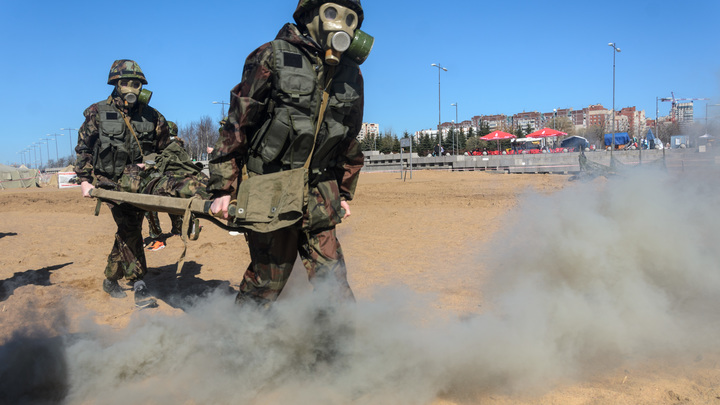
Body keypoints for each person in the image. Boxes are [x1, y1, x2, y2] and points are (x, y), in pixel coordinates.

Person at [209, 0, 368, 308]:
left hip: (320, 191)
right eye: (333, 13)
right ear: (309, 15)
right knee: (268, 281)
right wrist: (223, 187)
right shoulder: (272, 56)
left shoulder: (351, 73)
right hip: (271, 186)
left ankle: (341, 352)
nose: (342, 24)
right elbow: (238, 123)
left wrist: (344, 191)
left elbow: (348, 137)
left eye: (351, 18)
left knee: (333, 282)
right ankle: (239, 347)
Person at [75, 59, 170, 309]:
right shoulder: (97, 112)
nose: (131, 88)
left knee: (129, 229)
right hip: (110, 183)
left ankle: (110, 278)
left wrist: (150, 165)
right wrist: (85, 180)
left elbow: (165, 150)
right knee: (130, 226)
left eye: (136, 83)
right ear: (115, 84)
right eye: (126, 83)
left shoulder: (153, 116)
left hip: (140, 184)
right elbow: (84, 147)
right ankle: (140, 285)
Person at [143, 120, 184, 251]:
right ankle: (177, 229)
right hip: (172, 182)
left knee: (149, 208)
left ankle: (158, 238)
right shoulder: (177, 144)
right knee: (172, 207)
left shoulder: (172, 145)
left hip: (165, 181)